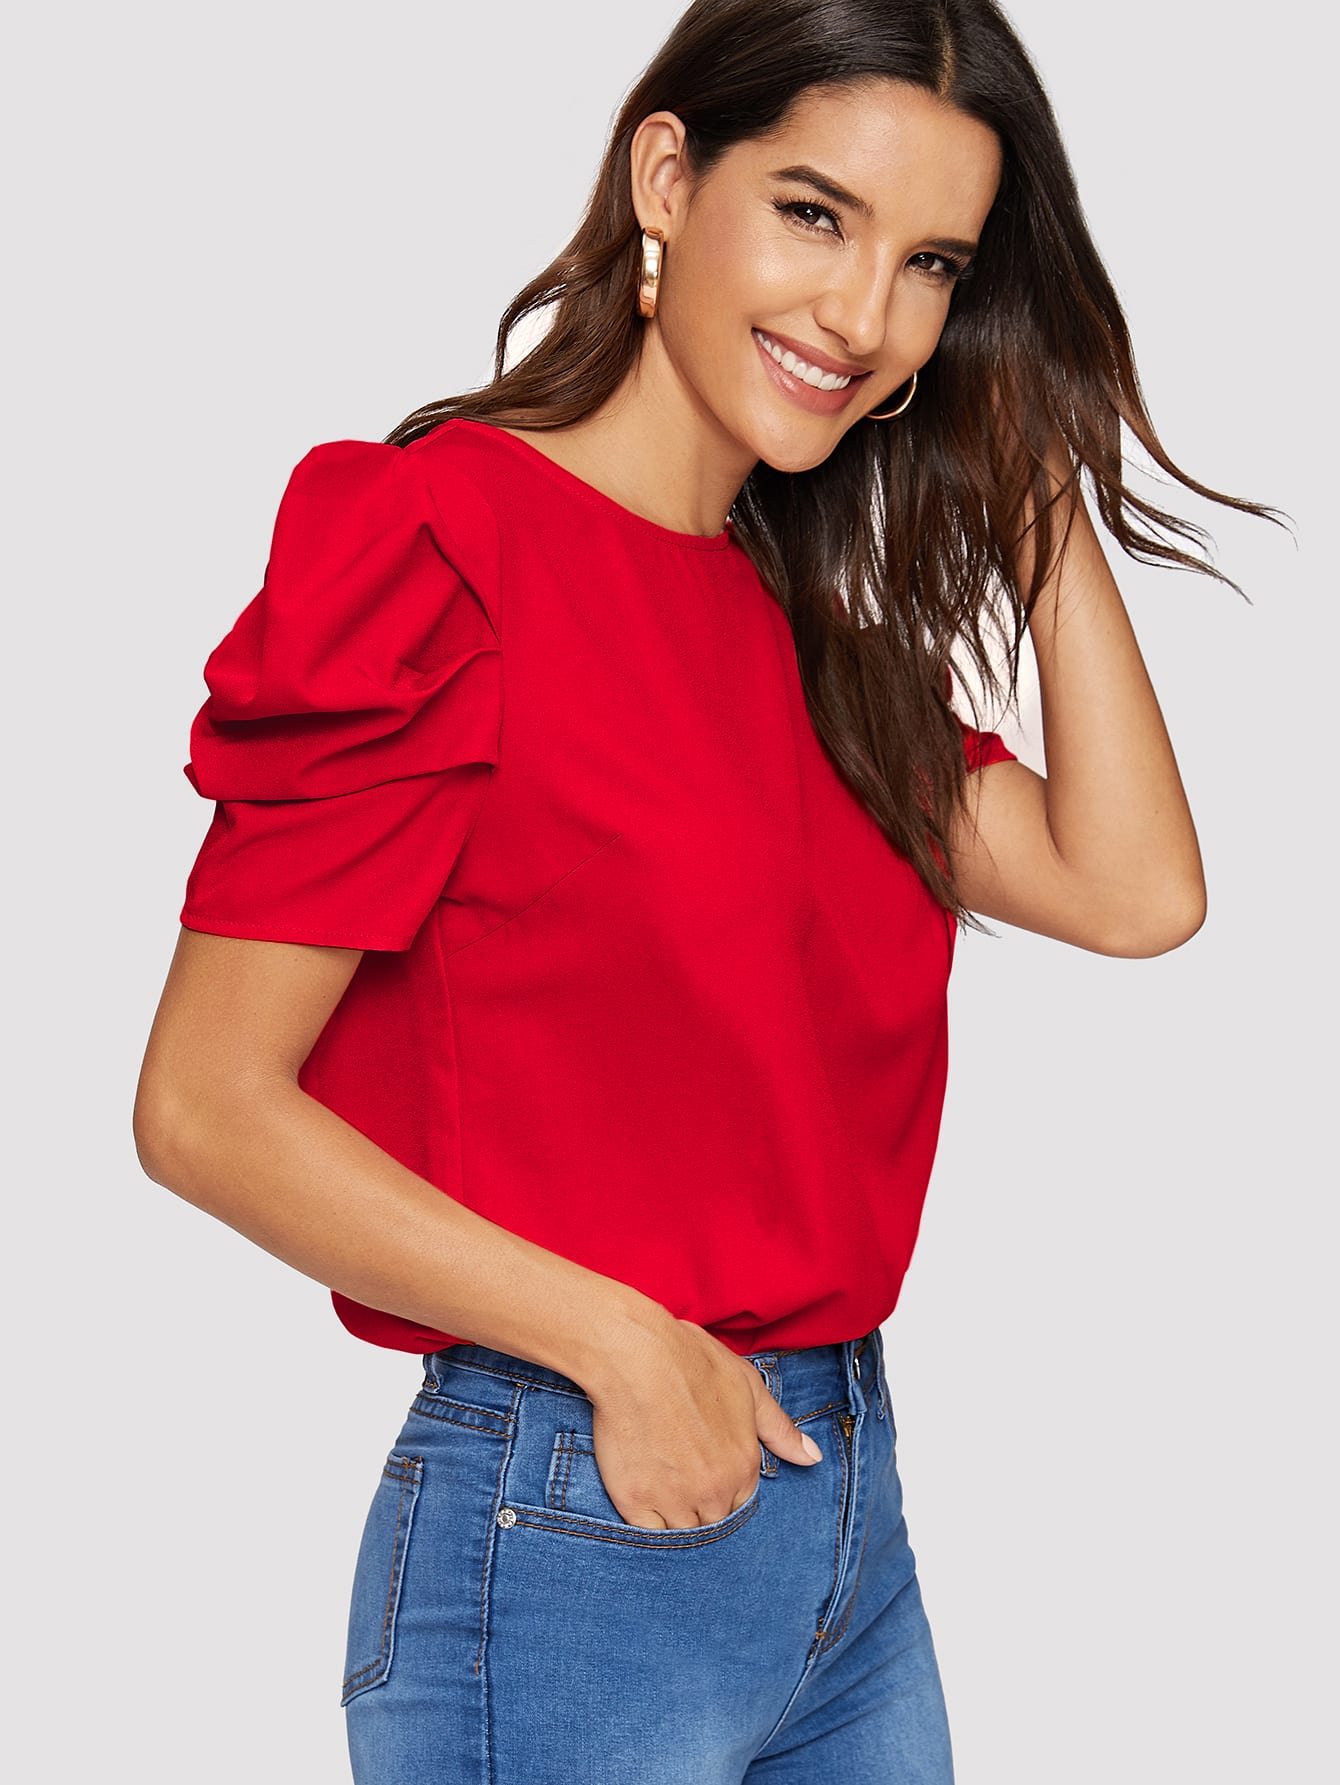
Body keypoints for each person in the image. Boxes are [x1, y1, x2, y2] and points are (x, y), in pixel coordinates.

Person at [132, 1, 1278, 1779]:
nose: (862, 314)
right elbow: (204, 1104)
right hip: (577, 1513)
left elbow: (1134, 889)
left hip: (845, 1529)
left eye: (930, 266)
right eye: (816, 215)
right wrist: (619, 1341)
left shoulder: (806, 636)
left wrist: (1031, 467)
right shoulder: (447, 544)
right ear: (668, 177)